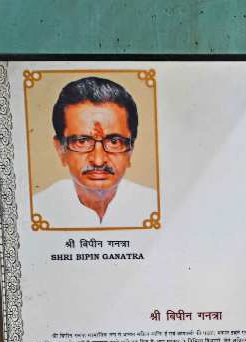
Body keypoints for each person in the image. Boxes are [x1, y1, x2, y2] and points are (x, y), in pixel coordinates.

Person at [33, 76, 156, 228]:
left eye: (114, 142)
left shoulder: (155, 206)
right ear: (61, 150)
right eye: (82, 141)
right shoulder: (36, 211)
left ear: (130, 151)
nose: (98, 160)